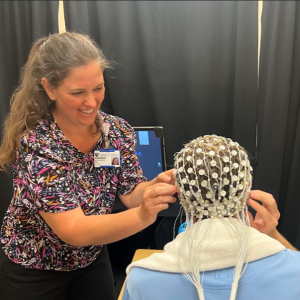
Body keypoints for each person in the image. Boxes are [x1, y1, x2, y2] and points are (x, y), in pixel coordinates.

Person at [0, 32, 177, 300]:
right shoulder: (38, 144)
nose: (92, 102)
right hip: (35, 268)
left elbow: (131, 192)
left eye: (98, 88)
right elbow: (74, 230)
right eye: (78, 92)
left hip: (91, 260)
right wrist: (144, 214)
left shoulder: (116, 131)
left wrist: (154, 190)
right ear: (49, 89)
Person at [122, 135, 300, 300]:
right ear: (246, 188)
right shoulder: (294, 271)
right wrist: (272, 234)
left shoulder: (141, 279)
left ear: (181, 193)